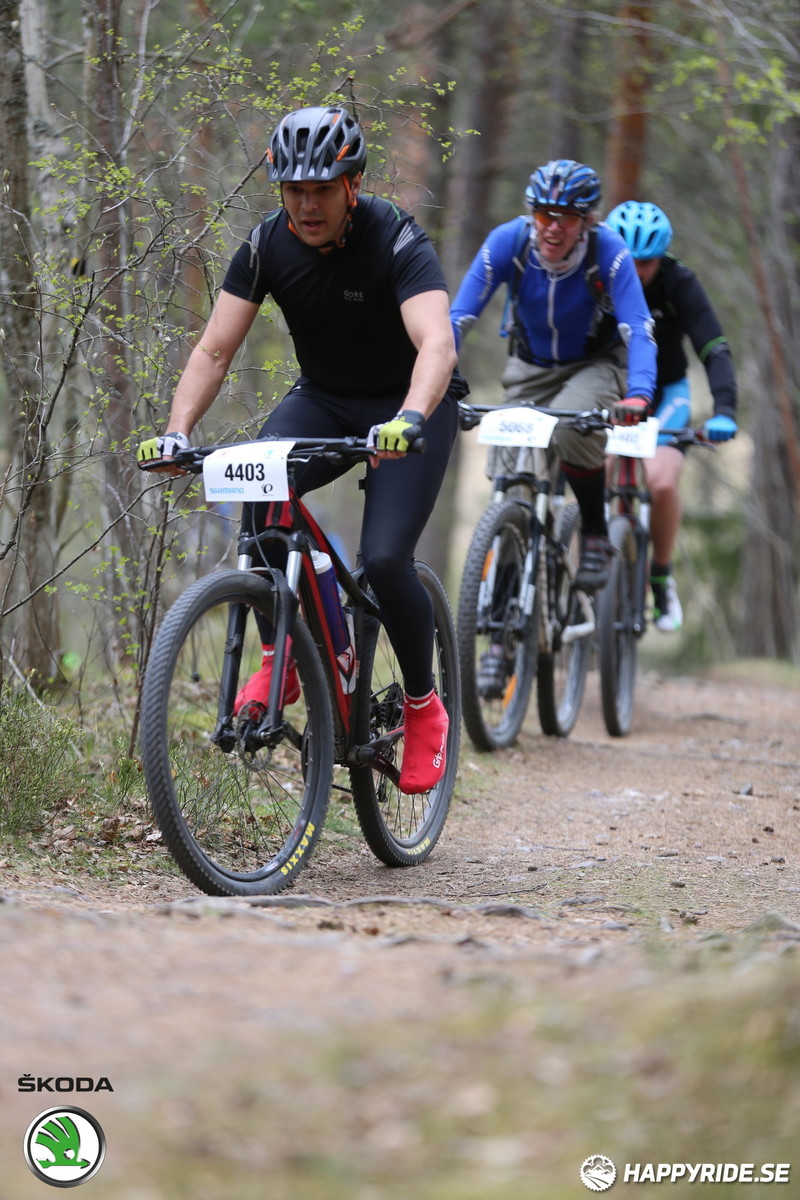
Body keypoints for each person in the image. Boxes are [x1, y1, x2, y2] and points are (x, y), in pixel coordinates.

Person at [137, 105, 469, 795]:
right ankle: (281, 650)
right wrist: (178, 430)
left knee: (383, 558)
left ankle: (422, 706)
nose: (307, 205)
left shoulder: (395, 237)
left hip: (412, 405)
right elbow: (215, 348)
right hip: (325, 397)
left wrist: (409, 416)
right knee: (259, 485)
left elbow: (437, 343)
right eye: (295, 191)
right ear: (279, 187)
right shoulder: (265, 245)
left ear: (352, 185)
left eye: (322, 190)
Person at [450, 159, 657, 602]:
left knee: (568, 428)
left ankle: (596, 532)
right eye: (544, 215)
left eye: (565, 218)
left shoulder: (610, 252)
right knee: (511, 472)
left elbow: (638, 329)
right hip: (529, 368)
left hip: (594, 365)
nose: (552, 228)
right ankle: (505, 612)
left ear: (587, 221)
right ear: (532, 215)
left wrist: (639, 394)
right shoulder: (508, 242)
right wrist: (430, 379)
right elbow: (458, 318)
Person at [605, 200, 738, 632]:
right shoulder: (597, 277)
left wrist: (725, 409)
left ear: (660, 259)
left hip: (667, 396)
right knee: (594, 473)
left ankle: (660, 577)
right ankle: (590, 579)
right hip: (612, 392)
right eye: (628, 260)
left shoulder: (680, 282)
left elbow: (713, 347)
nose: (635, 271)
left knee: (661, 482)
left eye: (645, 263)